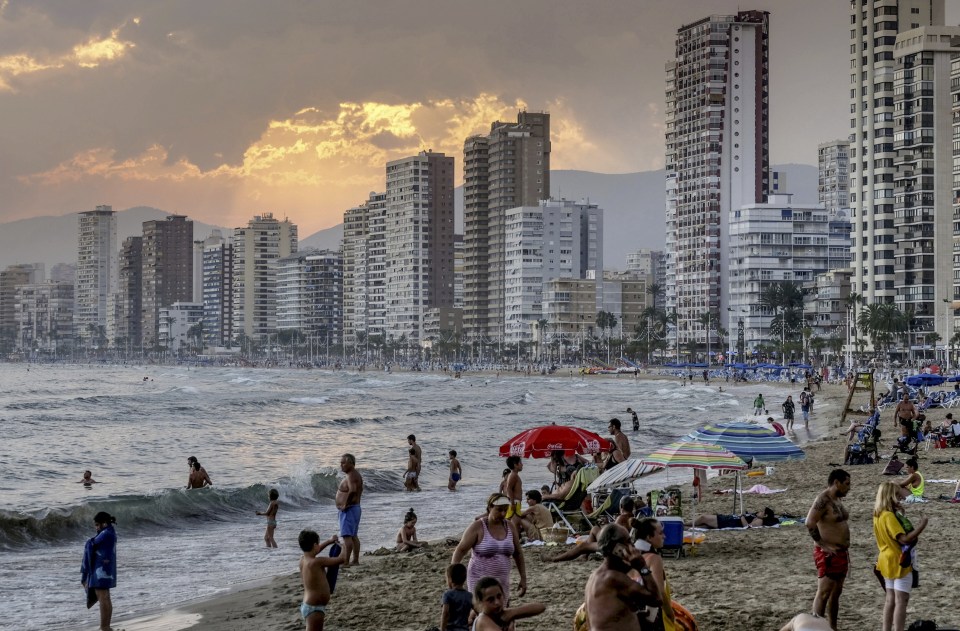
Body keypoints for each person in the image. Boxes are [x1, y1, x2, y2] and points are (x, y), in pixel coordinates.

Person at [451, 493, 527, 602]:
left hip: (502, 581)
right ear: (490, 507)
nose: (503, 513)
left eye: (506, 510)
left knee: (501, 612)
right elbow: (460, 550)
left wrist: (523, 578)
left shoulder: (509, 526)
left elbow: (518, 553)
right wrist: (454, 576)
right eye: (499, 510)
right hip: (479, 580)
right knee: (480, 613)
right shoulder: (478, 526)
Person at [583, 524, 660, 631]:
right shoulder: (614, 578)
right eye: (628, 541)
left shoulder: (595, 576)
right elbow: (656, 599)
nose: (632, 546)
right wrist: (642, 567)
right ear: (617, 548)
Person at [874, 481, 928, 631]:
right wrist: (922, 525)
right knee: (901, 601)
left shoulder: (878, 514)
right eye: (897, 495)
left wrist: (900, 515)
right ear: (890, 496)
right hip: (899, 560)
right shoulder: (889, 516)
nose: (899, 498)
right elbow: (904, 539)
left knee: (890, 599)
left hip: (884, 558)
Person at [805, 469, 851, 630]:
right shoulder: (822, 500)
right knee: (823, 593)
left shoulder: (837, 498)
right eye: (846, 484)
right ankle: (815, 628)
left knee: (836, 593)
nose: (849, 487)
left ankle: (832, 627)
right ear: (836, 483)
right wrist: (823, 545)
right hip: (828, 554)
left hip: (841, 553)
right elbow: (810, 522)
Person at [635, 517, 685, 631]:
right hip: (651, 617)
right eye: (660, 533)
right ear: (649, 537)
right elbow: (660, 592)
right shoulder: (654, 558)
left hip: (630, 615)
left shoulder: (628, 557)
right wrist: (670, 614)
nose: (664, 536)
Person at [297, 530, 344, 631]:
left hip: (309, 605)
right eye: (318, 543)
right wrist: (344, 546)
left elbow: (315, 550)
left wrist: (329, 541)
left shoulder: (303, 560)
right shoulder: (317, 562)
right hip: (314, 608)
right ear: (314, 545)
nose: (319, 546)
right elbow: (342, 559)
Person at [81, 511, 117, 631]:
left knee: (103, 597)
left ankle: (104, 627)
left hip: (101, 570)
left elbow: (92, 543)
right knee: (105, 596)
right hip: (106, 568)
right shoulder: (109, 532)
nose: (96, 528)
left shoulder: (106, 533)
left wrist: (88, 543)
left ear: (104, 524)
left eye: (97, 525)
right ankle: (106, 626)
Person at [472, 576, 545, 631]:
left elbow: (540, 607)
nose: (497, 602)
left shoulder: (502, 614)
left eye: (499, 596)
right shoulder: (482, 620)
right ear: (480, 602)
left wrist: (512, 613)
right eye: (490, 599)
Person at [336, 453, 363, 567]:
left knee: (347, 536)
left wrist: (345, 504)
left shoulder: (351, 475)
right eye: (340, 463)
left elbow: (352, 490)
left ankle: (346, 562)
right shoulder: (354, 475)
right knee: (353, 536)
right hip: (354, 508)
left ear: (351, 463)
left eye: (343, 463)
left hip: (350, 509)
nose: (341, 465)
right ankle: (355, 560)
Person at [440, 563, 472, 631]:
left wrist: (442, 629)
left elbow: (445, 613)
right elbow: (478, 610)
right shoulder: (469, 595)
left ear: (450, 579)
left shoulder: (447, 594)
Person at [693, 509, 778, 529]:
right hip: (729, 519)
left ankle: (685, 524)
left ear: (765, 515)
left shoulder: (760, 520)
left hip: (728, 522)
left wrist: (742, 517)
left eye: (762, 512)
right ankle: (683, 526)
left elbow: (747, 527)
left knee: (703, 518)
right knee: (703, 526)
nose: (760, 511)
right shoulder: (756, 517)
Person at [503, 456, 524, 528]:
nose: (522, 464)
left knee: (515, 524)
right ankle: (514, 539)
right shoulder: (513, 475)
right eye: (520, 462)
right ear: (515, 464)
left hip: (515, 502)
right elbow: (508, 489)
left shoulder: (514, 475)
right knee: (514, 525)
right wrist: (512, 503)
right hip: (514, 502)